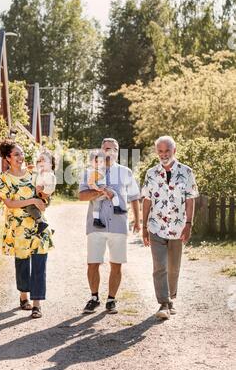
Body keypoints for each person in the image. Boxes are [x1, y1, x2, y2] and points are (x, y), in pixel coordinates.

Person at [79, 138, 141, 314]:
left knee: (117, 263)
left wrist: (137, 220)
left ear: (117, 152)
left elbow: (135, 197)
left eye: (114, 149)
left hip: (119, 225)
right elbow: (82, 196)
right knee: (93, 263)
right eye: (106, 148)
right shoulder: (89, 172)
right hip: (95, 225)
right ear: (101, 150)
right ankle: (94, 297)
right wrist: (99, 191)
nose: (110, 152)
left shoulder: (125, 172)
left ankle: (111, 300)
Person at [141, 136, 199, 320]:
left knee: (173, 266)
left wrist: (189, 224)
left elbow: (190, 200)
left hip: (177, 226)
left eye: (167, 151)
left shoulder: (186, 172)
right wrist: (143, 226)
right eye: (160, 151)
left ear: (174, 151)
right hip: (156, 226)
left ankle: (171, 298)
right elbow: (147, 200)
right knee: (159, 266)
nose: (164, 155)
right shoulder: (151, 173)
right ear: (156, 152)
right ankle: (164, 302)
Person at [0, 139, 54, 319]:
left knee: (39, 263)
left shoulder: (33, 174)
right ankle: (23, 295)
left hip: (38, 225)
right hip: (19, 227)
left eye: (21, 153)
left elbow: (44, 196)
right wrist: (32, 201)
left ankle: (37, 304)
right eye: (16, 154)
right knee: (22, 264)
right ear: (7, 158)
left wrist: (44, 200)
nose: (21, 157)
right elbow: (10, 203)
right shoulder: (3, 179)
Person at [87, 150, 126, 229]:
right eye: (96, 161)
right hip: (100, 188)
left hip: (99, 190)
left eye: (101, 161)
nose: (99, 163)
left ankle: (96, 220)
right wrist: (97, 188)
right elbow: (91, 182)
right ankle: (116, 208)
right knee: (114, 194)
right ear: (91, 162)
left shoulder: (99, 170)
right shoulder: (94, 172)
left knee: (97, 206)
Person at [24, 150, 57, 233]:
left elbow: (51, 188)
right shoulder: (40, 173)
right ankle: (48, 228)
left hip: (44, 197)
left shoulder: (50, 175)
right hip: (38, 194)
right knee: (36, 210)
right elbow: (34, 180)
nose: (41, 162)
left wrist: (43, 189)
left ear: (50, 164)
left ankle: (41, 222)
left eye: (44, 160)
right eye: (39, 160)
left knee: (30, 206)